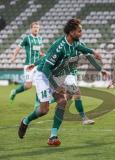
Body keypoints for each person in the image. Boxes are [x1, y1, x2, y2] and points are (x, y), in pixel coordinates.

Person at [17, 18, 105, 146]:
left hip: (56, 75)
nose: (81, 33)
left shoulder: (75, 42)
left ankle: (53, 136)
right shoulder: (59, 46)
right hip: (43, 76)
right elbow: (46, 67)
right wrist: (55, 86)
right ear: (71, 32)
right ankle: (25, 120)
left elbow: (81, 47)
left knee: (62, 101)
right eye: (79, 31)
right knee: (43, 110)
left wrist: (93, 52)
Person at [10, 22, 44, 101]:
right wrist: (14, 56)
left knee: (40, 84)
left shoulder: (40, 39)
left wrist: (42, 54)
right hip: (29, 65)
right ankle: (15, 91)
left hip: (38, 65)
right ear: (31, 29)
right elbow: (18, 47)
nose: (36, 29)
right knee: (28, 86)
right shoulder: (27, 38)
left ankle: (38, 103)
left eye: (37, 27)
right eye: (35, 27)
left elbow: (38, 50)